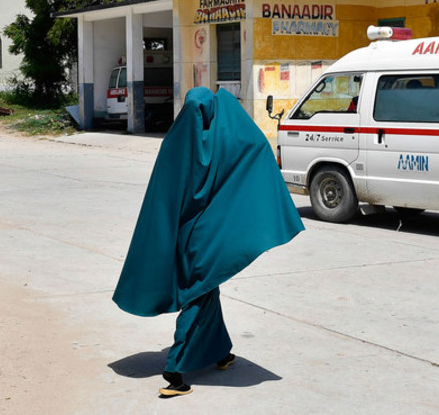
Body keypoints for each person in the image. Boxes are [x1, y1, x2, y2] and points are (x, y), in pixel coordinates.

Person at [113, 87, 304, 397]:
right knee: (198, 296)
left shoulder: (175, 145)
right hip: (208, 240)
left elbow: (161, 199)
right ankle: (175, 372)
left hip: (183, 238)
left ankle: (220, 353)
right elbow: (255, 147)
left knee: (206, 291)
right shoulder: (224, 142)